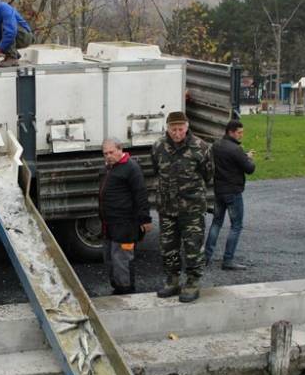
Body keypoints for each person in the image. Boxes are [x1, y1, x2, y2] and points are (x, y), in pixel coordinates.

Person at [151, 111, 213, 303]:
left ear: (186, 127)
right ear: (167, 128)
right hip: (167, 208)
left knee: (193, 246)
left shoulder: (201, 147)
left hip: (191, 209)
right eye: (173, 129)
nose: (177, 133)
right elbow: (156, 170)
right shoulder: (158, 147)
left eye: (180, 129)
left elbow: (208, 175)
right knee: (168, 246)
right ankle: (173, 280)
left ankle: (193, 282)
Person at [98, 138, 152, 295]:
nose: (108, 156)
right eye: (105, 153)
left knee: (122, 260)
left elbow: (140, 194)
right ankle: (117, 286)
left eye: (111, 152)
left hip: (125, 224)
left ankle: (126, 289)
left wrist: (145, 219)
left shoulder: (131, 168)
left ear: (120, 149)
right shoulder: (111, 167)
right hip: (110, 224)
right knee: (109, 258)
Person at [204, 119, 256, 270]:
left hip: (219, 191)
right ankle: (228, 260)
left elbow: (230, 161)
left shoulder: (216, 145)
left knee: (216, 223)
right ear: (230, 132)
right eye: (239, 133)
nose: (241, 135)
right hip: (233, 192)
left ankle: (206, 257)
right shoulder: (235, 149)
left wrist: (243, 156)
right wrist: (249, 158)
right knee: (236, 226)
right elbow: (249, 169)